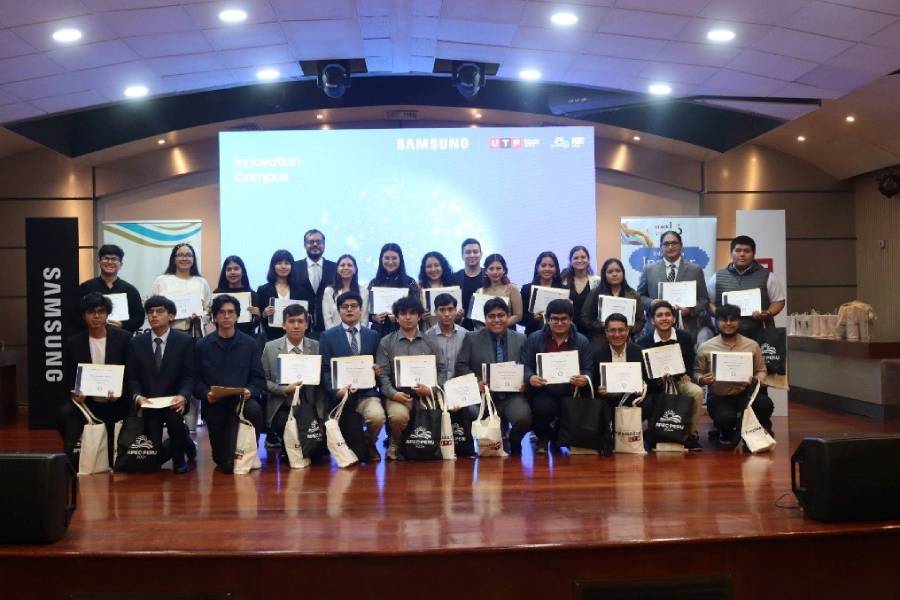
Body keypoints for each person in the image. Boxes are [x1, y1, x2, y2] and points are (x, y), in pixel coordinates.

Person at [194, 294, 266, 471]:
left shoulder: (250, 344)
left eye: (231, 312)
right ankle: (226, 453)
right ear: (214, 317)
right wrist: (206, 394)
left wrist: (250, 391)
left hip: (243, 402)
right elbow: (195, 379)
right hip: (215, 403)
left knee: (255, 410)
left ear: (238, 316)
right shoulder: (202, 345)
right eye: (221, 312)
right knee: (225, 464)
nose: (226, 316)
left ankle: (251, 450)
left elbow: (258, 379)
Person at [59, 293, 132, 466]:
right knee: (63, 413)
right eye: (91, 312)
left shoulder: (124, 338)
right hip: (87, 401)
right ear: (84, 315)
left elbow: (131, 373)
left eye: (101, 311)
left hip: (116, 399)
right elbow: (70, 374)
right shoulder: (74, 342)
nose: (97, 316)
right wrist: (75, 391)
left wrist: (119, 392)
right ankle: (73, 457)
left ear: (107, 314)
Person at [126, 295, 195, 473]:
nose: (154, 315)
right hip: (148, 401)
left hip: (174, 400)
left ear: (171, 316)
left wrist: (183, 396)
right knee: (153, 461)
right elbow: (132, 377)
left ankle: (180, 460)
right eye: (150, 312)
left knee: (174, 420)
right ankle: (184, 440)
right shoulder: (136, 343)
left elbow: (189, 376)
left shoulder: (184, 341)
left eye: (159, 311)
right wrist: (137, 397)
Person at [454, 298, 532, 455]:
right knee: (472, 413)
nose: (497, 320)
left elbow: (527, 366)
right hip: (483, 396)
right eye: (491, 316)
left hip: (511, 395)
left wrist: (525, 381)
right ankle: (490, 443)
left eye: (501, 315)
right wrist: (476, 383)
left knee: (523, 418)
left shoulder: (521, 338)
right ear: (485, 319)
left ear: (508, 316)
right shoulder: (471, 338)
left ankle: (513, 440)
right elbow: (461, 365)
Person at [376, 295, 447, 460]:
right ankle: (395, 443)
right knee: (398, 416)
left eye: (412, 313)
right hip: (399, 395)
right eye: (403, 313)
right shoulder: (386, 342)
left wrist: (431, 389)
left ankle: (432, 446)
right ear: (397, 317)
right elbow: (384, 375)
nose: (408, 317)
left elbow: (442, 369)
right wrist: (393, 394)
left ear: (419, 316)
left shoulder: (431, 341)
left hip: (427, 394)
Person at [695, 304, 773, 448]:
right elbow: (697, 371)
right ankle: (727, 431)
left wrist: (759, 379)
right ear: (717, 322)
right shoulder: (706, 347)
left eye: (733, 320)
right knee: (725, 419)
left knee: (765, 404)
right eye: (724, 320)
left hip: (746, 394)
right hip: (720, 397)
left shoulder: (752, 345)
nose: (729, 323)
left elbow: (761, 369)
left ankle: (752, 433)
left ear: (739, 322)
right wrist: (701, 379)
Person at [319, 291, 384, 462]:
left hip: (367, 393)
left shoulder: (373, 335)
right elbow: (325, 370)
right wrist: (336, 391)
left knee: (377, 417)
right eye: (344, 307)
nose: (349, 310)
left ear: (361, 309)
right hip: (341, 397)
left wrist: (378, 372)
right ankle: (358, 444)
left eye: (354, 306)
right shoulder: (327, 336)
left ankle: (370, 443)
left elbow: (378, 366)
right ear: (339, 310)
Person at [521, 298, 593, 453]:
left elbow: (588, 369)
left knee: (569, 410)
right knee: (542, 407)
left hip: (571, 391)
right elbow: (526, 365)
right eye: (554, 319)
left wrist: (585, 379)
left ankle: (560, 438)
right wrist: (530, 377)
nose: (559, 323)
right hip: (544, 390)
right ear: (548, 319)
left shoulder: (582, 341)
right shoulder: (535, 338)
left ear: (571, 320)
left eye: (564, 319)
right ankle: (542, 439)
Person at [637, 301, 704, 451]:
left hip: (680, 379)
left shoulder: (685, 337)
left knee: (696, 392)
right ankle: (660, 433)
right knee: (658, 395)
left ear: (674, 319)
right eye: (659, 315)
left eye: (668, 314)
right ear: (652, 320)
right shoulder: (643, 342)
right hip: (655, 384)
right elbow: (644, 373)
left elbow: (689, 361)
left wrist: (687, 374)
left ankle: (690, 435)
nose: (664, 318)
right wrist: (658, 380)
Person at [261, 304, 322, 451]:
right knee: (292, 445)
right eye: (291, 321)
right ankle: (287, 447)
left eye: (300, 321)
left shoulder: (317, 347)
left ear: (307, 325)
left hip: (310, 406)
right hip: (283, 405)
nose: (296, 326)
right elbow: (262, 381)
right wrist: (283, 389)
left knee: (317, 453)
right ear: (283, 325)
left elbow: (323, 380)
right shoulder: (270, 348)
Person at [636, 230, 711, 345]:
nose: (670, 247)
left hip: (686, 328)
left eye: (674, 243)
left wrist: (690, 309)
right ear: (661, 248)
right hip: (656, 330)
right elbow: (639, 297)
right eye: (666, 244)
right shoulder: (649, 269)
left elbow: (704, 299)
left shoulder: (695, 270)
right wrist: (651, 303)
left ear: (681, 246)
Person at [707, 235, 785, 340]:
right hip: (725, 336)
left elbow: (778, 301)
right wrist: (718, 313)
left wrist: (768, 313)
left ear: (753, 254)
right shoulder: (717, 277)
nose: (742, 254)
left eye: (747, 251)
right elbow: (708, 302)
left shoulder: (768, 276)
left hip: (760, 334)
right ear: (731, 254)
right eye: (738, 250)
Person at [74, 244, 144, 333]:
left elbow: (139, 317)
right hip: (90, 338)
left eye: (114, 259)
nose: (110, 262)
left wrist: (123, 325)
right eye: (106, 258)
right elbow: (75, 315)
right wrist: (94, 324)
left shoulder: (130, 290)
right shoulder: (86, 287)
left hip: (122, 340)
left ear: (121, 264)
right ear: (99, 262)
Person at [150, 243, 212, 335]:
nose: (184, 258)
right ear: (174, 259)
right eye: (180, 255)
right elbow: (152, 306)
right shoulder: (161, 281)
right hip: (167, 332)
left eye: (188, 255)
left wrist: (200, 316)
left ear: (193, 259)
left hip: (195, 332)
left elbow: (208, 309)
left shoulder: (202, 282)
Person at [582, 257, 645, 345]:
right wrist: (602, 326)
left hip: (626, 341)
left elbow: (640, 321)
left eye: (618, 271)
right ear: (604, 274)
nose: (614, 274)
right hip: (600, 341)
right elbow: (585, 318)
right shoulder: (595, 293)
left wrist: (626, 329)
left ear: (623, 273)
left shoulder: (634, 295)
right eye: (610, 272)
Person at [257, 249, 313, 342]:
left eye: (287, 263)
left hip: (297, 338)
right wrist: (264, 314)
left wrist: (308, 316)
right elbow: (259, 319)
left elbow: (308, 316)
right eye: (279, 263)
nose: (283, 266)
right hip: (272, 338)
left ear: (292, 266)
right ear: (273, 266)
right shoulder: (263, 290)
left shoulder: (302, 290)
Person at [291, 229, 336, 339]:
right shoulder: (294, 267)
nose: (315, 244)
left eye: (318, 242)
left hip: (329, 327)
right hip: (300, 328)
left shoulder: (335, 268)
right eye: (311, 242)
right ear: (304, 245)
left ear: (324, 245)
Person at [367, 243, 419, 337]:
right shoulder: (374, 283)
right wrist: (374, 318)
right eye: (386, 258)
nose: (390, 262)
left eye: (394, 258)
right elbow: (366, 311)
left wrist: (400, 316)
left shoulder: (410, 282)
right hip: (378, 332)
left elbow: (417, 309)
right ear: (381, 259)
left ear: (400, 260)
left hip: (404, 332)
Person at [520, 251, 566, 336]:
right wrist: (533, 318)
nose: (547, 269)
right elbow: (520, 319)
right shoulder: (527, 289)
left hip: (559, 336)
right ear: (537, 267)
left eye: (551, 266)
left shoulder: (563, 290)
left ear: (556, 269)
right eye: (543, 265)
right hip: (534, 337)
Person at [214, 255, 260, 338]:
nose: (232, 272)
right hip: (221, 339)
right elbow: (215, 321)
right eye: (229, 269)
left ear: (242, 272)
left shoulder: (252, 294)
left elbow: (255, 325)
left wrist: (257, 315)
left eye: (236, 268)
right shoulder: (218, 294)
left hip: (246, 340)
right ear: (225, 273)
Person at [424, 293, 467, 379]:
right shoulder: (427, 337)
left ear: (455, 311)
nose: (447, 314)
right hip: (436, 387)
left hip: (461, 385)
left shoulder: (466, 334)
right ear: (435, 312)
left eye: (450, 309)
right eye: (442, 310)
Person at [560, 245, 601, 336]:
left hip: (591, 330)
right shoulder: (563, 281)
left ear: (588, 259)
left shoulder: (597, 281)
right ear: (571, 261)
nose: (580, 260)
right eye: (576, 258)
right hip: (567, 329)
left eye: (583, 257)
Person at [321, 254, 369, 330]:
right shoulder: (329, 291)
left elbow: (364, 320)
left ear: (355, 269)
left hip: (357, 338)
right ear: (337, 269)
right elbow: (327, 319)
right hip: (334, 336)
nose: (346, 268)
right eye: (342, 265)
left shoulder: (363, 291)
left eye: (349, 265)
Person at [418, 251, 462, 329]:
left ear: (443, 266)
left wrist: (459, 315)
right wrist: (420, 316)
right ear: (424, 269)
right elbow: (413, 313)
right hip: (428, 332)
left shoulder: (452, 285)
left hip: (451, 332)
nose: (433, 269)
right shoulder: (418, 287)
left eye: (436, 265)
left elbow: (457, 313)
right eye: (429, 266)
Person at [478, 253, 522, 328]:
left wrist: (499, 326)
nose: (495, 272)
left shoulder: (512, 289)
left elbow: (518, 316)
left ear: (504, 270)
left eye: (498, 268)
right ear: (486, 271)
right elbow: (477, 319)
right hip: (486, 335)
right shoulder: (480, 291)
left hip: (508, 334)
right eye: (491, 268)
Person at [454, 238, 484, 331]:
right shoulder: (454, 278)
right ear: (462, 256)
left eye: (475, 252)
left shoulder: (489, 275)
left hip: (485, 329)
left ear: (481, 254)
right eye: (468, 252)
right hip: (460, 331)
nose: (472, 255)